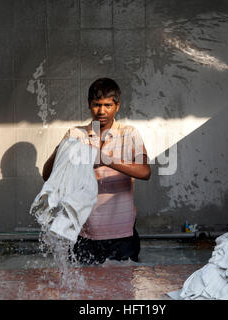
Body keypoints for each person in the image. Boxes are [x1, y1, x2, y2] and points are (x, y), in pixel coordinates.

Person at [42, 78, 151, 264]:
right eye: (96, 105)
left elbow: (145, 172)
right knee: (87, 289)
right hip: (85, 233)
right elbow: (47, 175)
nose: (101, 111)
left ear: (117, 106)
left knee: (122, 287)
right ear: (89, 105)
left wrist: (104, 159)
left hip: (122, 233)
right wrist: (62, 148)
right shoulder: (76, 134)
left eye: (108, 105)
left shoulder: (129, 133)